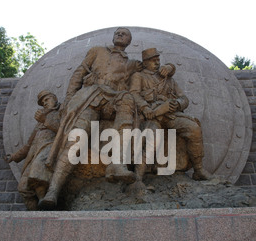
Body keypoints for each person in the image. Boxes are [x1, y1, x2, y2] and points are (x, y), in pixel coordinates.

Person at [38, 28, 175, 210]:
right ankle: (53, 191)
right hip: (91, 96)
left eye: (124, 34)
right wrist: (69, 99)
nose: (120, 34)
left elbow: (154, 67)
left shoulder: (132, 64)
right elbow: (79, 74)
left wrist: (171, 67)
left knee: (127, 98)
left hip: (113, 98)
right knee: (77, 138)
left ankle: (117, 164)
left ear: (128, 41)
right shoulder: (96, 51)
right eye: (118, 32)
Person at [129, 48, 210, 183]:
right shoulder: (139, 76)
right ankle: (138, 178)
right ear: (145, 63)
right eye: (153, 61)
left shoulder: (168, 79)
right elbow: (133, 94)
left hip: (171, 115)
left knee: (194, 128)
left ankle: (199, 170)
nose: (157, 63)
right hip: (152, 116)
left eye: (158, 60)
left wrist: (177, 104)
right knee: (151, 137)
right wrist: (144, 107)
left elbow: (184, 98)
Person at [5, 90, 61, 210]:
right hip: (34, 155)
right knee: (23, 187)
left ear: (55, 99)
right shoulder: (39, 123)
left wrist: (45, 120)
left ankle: (44, 201)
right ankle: (35, 215)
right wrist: (14, 156)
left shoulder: (62, 113)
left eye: (47, 99)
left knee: (37, 172)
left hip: (50, 152)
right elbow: (28, 146)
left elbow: (64, 132)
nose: (45, 103)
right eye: (42, 102)